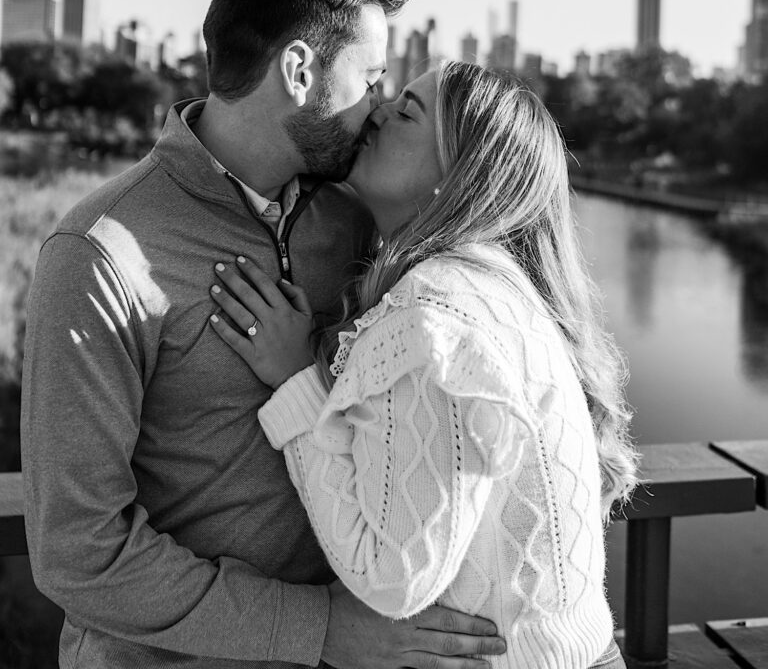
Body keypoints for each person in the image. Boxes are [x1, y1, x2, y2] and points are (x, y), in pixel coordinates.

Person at [21, 0, 507, 669]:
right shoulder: (98, 256)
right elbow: (79, 553)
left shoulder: (352, 220)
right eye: (371, 78)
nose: (379, 107)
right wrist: (321, 630)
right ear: (300, 69)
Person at [209, 61, 638, 669]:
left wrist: (296, 385)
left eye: (407, 111)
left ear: (458, 176)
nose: (377, 110)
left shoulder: (435, 312)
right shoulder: (494, 286)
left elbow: (393, 577)